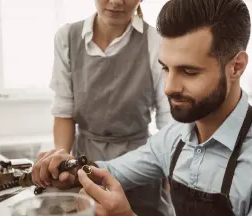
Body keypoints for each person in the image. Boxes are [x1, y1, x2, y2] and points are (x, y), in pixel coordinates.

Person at [33, 0, 252, 215]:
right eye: (165, 68)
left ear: (236, 67)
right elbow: (111, 169)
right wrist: (69, 167)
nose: (169, 87)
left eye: (189, 71)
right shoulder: (172, 140)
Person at [41, 0, 173, 216]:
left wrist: (171, 167)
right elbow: (64, 111)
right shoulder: (67, 37)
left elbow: (169, 121)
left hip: (139, 164)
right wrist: (62, 161)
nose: (116, 1)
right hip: (84, 161)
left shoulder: (155, 41)